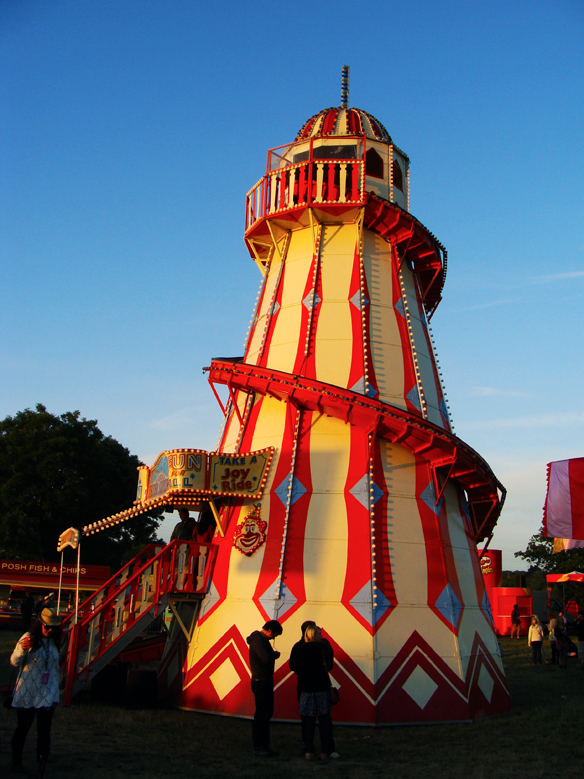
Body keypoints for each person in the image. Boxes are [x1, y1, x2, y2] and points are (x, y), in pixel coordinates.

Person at [10, 608, 63, 776]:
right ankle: (16, 760)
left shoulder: (54, 641)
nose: (49, 630)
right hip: (28, 691)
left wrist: (56, 689)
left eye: (52, 627)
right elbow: (14, 661)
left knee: (44, 730)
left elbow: (55, 667)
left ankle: (42, 763)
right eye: (47, 626)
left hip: (47, 692)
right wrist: (22, 649)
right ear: (40, 624)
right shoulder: (28, 638)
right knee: (23, 728)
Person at [290, 623, 339, 761]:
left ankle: (309, 751)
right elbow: (329, 665)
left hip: (306, 689)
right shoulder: (323, 648)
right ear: (312, 634)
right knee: (324, 721)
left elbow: (294, 667)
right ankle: (325, 751)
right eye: (319, 633)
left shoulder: (299, 649)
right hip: (321, 689)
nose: (321, 635)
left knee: (308, 722)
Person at [246, 619, 283, 756]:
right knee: (262, 713)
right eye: (275, 635)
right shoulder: (258, 641)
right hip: (261, 681)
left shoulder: (258, 640)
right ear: (269, 631)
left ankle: (263, 744)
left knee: (265, 713)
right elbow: (265, 658)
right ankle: (259, 745)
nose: (274, 638)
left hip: (263, 680)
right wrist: (275, 655)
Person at [289, 621, 333, 699]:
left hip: (304, 688)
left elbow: (294, 667)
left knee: (307, 710)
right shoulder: (323, 646)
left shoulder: (298, 647)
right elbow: (329, 665)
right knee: (322, 710)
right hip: (321, 687)